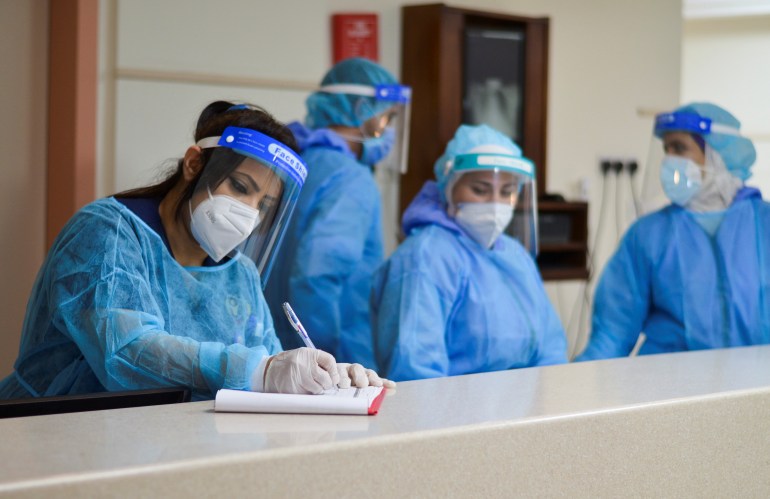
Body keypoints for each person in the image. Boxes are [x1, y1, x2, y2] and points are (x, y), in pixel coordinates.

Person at [0, 101, 392, 401]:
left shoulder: (238, 274)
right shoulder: (107, 233)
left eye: (265, 206)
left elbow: (269, 362)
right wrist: (257, 371)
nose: (248, 214)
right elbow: (126, 353)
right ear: (193, 164)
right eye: (240, 188)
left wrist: (324, 378)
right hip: (53, 436)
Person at [371, 124, 568, 381]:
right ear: (450, 186)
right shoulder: (426, 257)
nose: (495, 204)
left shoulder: (515, 255)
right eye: (480, 189)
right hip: (456, 416)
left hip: (523, 415)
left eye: (507, 192)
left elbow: (550, 347)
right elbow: (415, 370)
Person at [577, 102, 770, 361]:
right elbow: (613, 332)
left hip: (755, 387)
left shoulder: (763, 224)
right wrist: (575, 385)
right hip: (671, 388)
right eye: (666, 149)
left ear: (717, 153)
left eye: (679, 148)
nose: (670, 160)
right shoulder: (648, 234)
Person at [264, 58, 411, 367]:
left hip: (274, 350)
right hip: (330, 360)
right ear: (362, 111)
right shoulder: (350, 178)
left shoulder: (294, 165)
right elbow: (316, 277)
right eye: (387, 118)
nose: (388, 130)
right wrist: (326, 363)